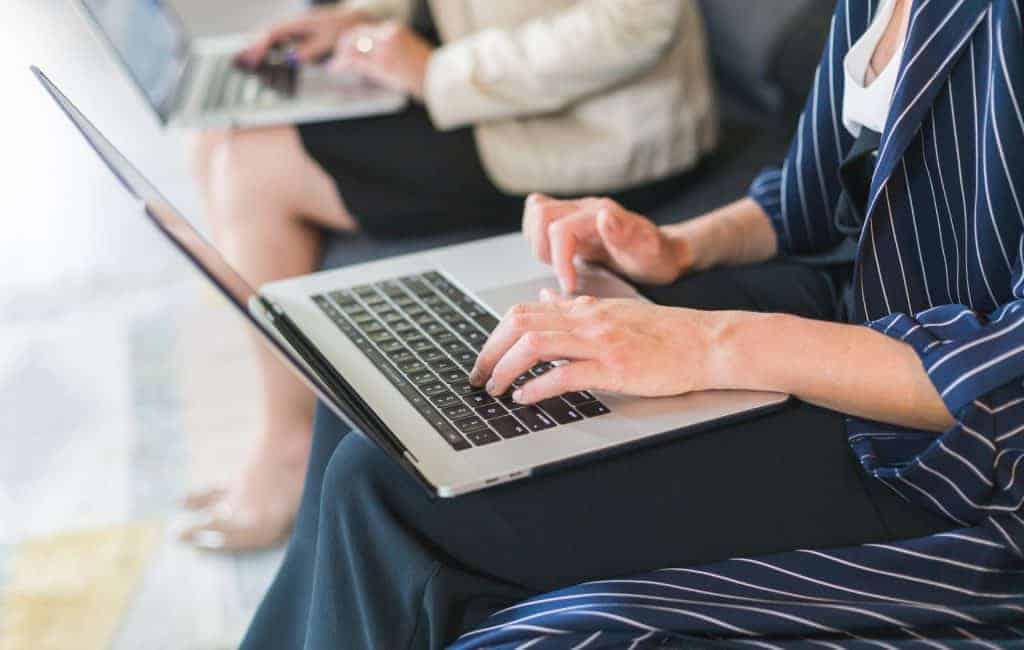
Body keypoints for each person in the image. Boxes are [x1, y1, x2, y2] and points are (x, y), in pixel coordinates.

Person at [241, 0, 1024, 647]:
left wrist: (706, 343)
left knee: (381, 485)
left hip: (947, 455)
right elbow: (809, 195)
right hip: (850, 313)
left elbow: (1004, 381)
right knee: (367, 395)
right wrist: (675, 246)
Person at [182, 0, 717, 551]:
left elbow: (642, 20)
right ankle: (290, 429)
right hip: (485, 91)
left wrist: (436, 72)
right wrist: (362, 20)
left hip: (592, 125)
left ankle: (288, 446)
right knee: (218, 137)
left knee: (251, 169)